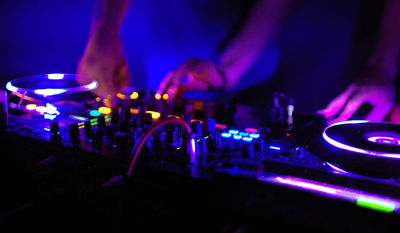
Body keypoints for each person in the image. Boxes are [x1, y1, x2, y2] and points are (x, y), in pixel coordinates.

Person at [78, 0, 400, 122]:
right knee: (165, 119)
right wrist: (103, 38)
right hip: (179, 43)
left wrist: (227, 72)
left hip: (271, 53)